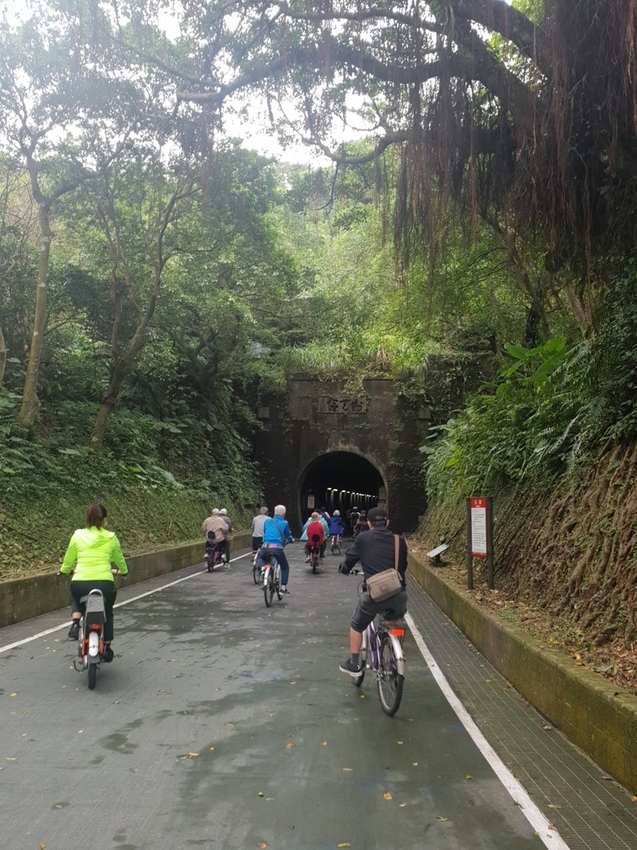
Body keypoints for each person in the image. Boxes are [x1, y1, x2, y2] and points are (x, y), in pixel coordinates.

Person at [337, 506, 408, 677]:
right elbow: (402, 566)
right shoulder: (399, 541)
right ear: (387, 522)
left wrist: (344, 569)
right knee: (392, 621)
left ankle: (354, 664)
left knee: (356, 624)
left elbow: (350, 559)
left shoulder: (363, 538)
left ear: (368, 523)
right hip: (398, 594)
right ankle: (393, 659)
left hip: (374, 595)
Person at [58, 504, 128, 661]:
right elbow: (120, 560)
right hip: (104, 584)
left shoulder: (77, 535)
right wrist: (123, 572)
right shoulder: (111, 537)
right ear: (104, 520)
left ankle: (75, 623)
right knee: (107, 612)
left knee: (76, 596)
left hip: (81, 582)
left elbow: (69, 559)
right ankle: (107, 645)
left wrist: (64, 570)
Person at [257, 504, 294, 594]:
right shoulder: (284, 523)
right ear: (283, 514)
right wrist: (291, 540)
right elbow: (288, 535)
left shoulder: (267, 521)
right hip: (277, 548)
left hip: (266, 546)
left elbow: (265, 532)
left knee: (260, 558)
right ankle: (283, 588)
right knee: (285, 567)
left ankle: (263, 568)